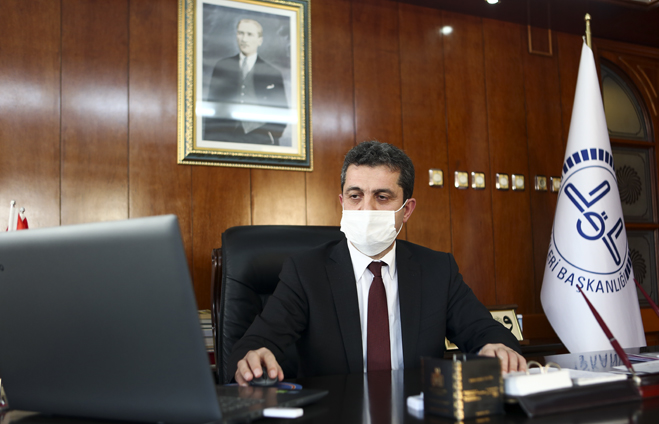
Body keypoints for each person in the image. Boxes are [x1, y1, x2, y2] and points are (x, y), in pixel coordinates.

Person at [231, 141, 527, 384]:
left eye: (382, 197)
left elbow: (487, 333)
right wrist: (254, 358)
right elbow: (252, 345)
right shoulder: (306, 272)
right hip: (335, 420)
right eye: (355, 196)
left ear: (406, 210)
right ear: (342, 202)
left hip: (417, 418)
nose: (366, 208)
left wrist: (497, 348)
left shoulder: (437, 270)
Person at [203, 18, 287, 145]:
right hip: (225, 137)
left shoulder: (272, 72)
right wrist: (210, 141)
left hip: (261, 138)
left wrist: (270, 135)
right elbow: (212, 106)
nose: (244, 39)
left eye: (249, 34)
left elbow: (282, 113)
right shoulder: (223, 66)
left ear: (260, 40)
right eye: (240, 33)